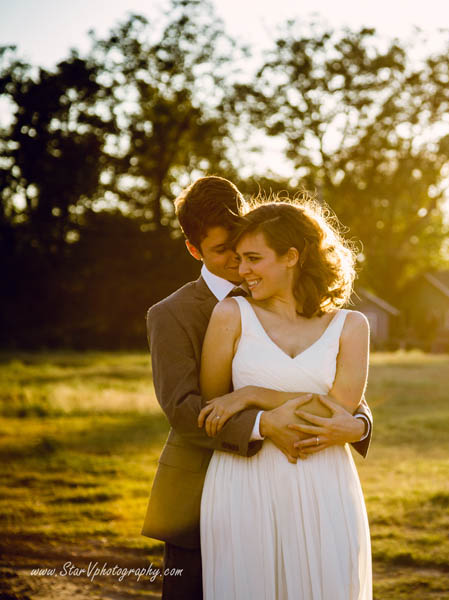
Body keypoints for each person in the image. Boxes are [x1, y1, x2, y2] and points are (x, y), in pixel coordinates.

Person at [142, 176, 373, 600]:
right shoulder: (173, 314)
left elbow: (330, 387)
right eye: (222, 252)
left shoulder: (323, 315)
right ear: (195, 250)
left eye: (245, 248)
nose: (238, 263)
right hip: (209, 485)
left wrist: (357, 424)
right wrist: (265, 424)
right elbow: (186, 409)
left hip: (315, 479)